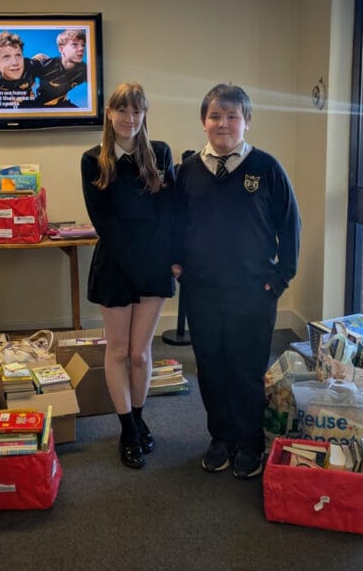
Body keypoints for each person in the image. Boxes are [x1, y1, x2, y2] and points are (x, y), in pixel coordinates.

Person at [172, 83, 301, 479]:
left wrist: (279, 279)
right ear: (203, 122)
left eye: (232, 116)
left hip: (254, 292)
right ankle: (221, 438)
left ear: (247, 121)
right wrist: (176, 263)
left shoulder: (267, 168)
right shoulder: (187, 172)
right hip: (203, 291)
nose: (223, 123)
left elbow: (290, 226)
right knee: (211, 368)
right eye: (215, 116)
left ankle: (249, 442)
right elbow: (173, 223)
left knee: (246, 368)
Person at [80, 82, 177, 469]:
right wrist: (137, 261)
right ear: (109, 113)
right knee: (119, 351)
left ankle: (138, 418)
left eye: (137, 111)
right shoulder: (93, 160)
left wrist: (163, 258)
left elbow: (168, 212)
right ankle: (127, 430)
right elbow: (104, 221)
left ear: (144, 114)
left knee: (140, 353)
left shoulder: (160, 153)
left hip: (154, 264)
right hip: (115, 264)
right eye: (122, 110)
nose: (130, 118)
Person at [23, 29, 88, 108]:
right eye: (74, 44)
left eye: (83, 45)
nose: (81, 48)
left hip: (62, 104)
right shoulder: (46, 65)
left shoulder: (84, 69)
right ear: (61, 49)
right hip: (40, 105)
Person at [0, 31, 42, 108]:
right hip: (6, 105)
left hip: (28, 103)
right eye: (6, 57)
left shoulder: (30, 66)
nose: (15, 63)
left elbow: (41, 57)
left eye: (18, 55)